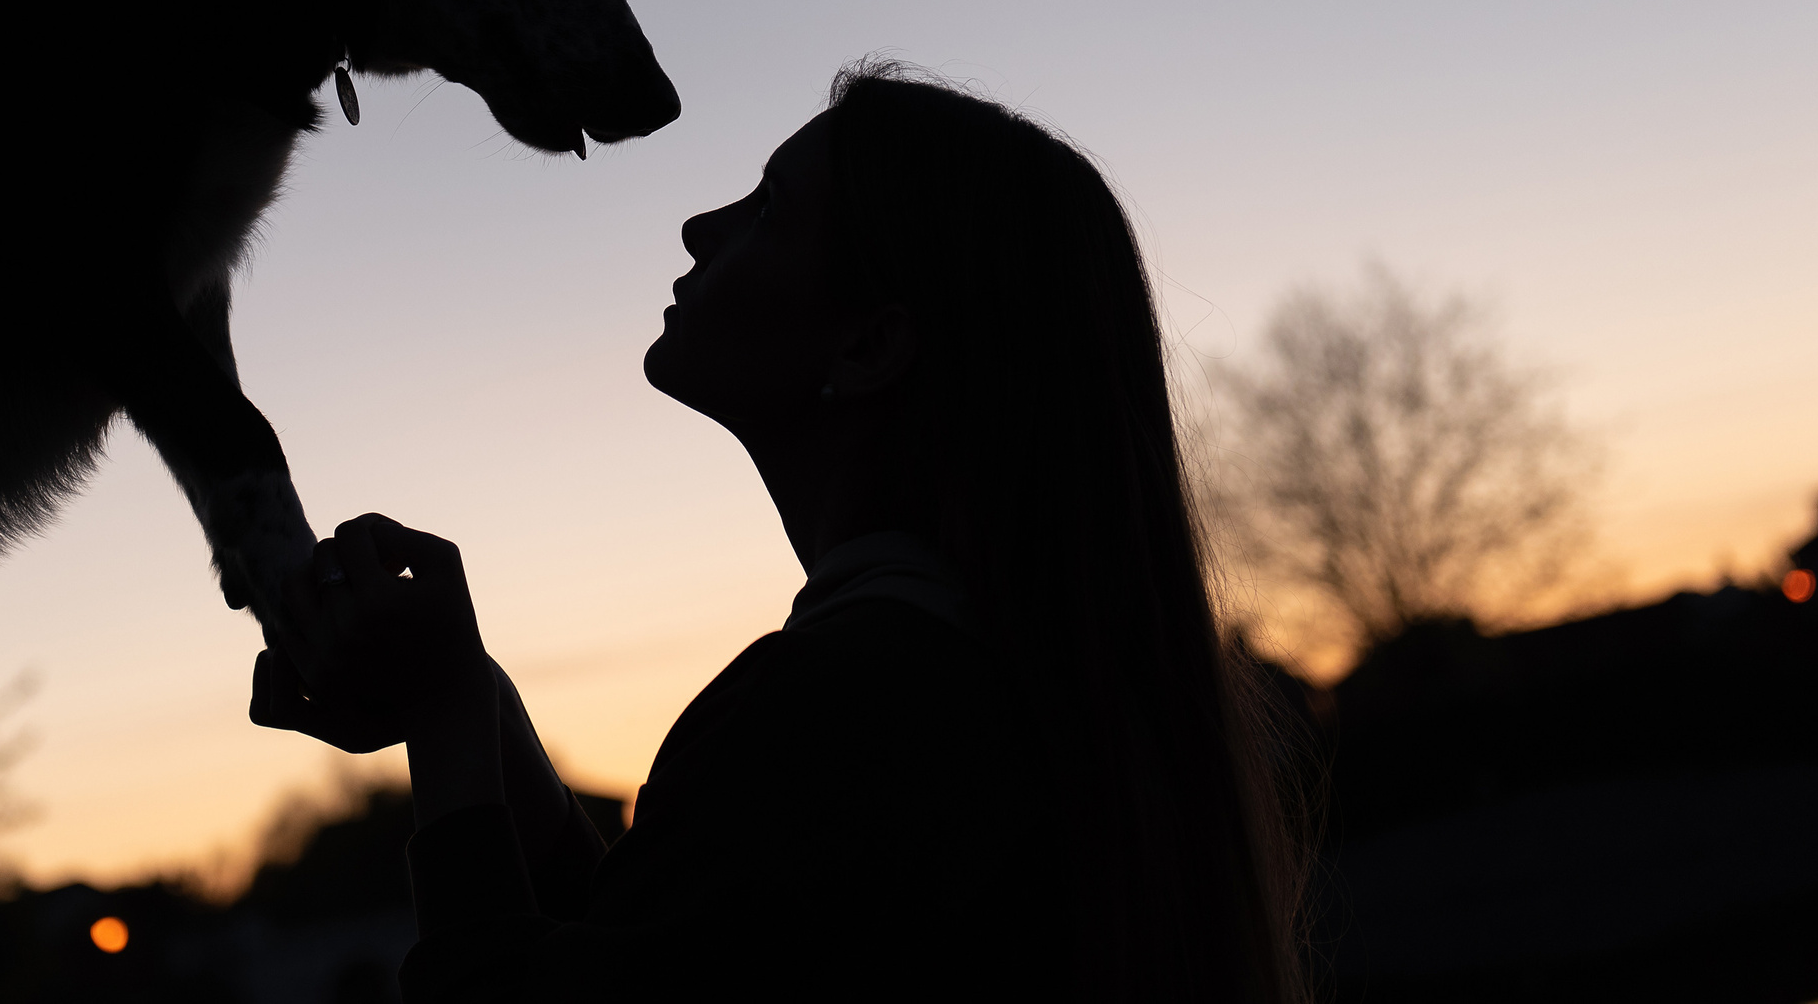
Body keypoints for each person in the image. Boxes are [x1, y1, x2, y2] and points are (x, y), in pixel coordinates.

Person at [249, 62, 1304, 1001]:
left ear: (872, 340)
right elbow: (651, 942)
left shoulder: (843, 703)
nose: (700, 227)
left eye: (767, 208)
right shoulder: (977, 679)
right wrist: (474, 700)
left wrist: (441, 718)